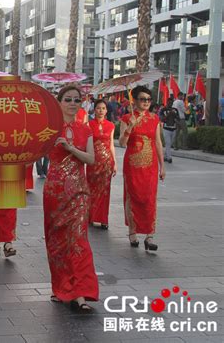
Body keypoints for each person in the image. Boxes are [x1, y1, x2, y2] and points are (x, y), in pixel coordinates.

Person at [43, 85, 98, 312]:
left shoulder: (85, 130)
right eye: (68, 99)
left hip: (78, 193)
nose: (73, 103)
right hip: (55, 193)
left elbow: (91, 159)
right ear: (59, 102)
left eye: (77, 100)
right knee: (56, 242)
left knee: (78, 240)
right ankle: (61, 287)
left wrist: (70, 148)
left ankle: (81, 292)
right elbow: (30, 156)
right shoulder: (48, 129)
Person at [119, 85, 165, 251]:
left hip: (151, 166)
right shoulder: (126, 118)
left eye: (148, 99)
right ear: (135, 101)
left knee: (149, 198)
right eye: (142, 99)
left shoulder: (155, 119)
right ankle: (132, 232)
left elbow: (158, 143)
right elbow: (122, 143)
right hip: (132, 166)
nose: (146, 102)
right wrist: (130, 127)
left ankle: (149, 235)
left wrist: (162, 166)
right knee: (133, 198)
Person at [86, 99, 117, 230]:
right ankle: (92, 217)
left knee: (105, 191)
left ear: (106, 110)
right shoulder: (88, 125)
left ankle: (104, 219)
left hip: (106, 163)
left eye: (103, 108)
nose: (101, 111)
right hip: (93, 162)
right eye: (98, 108)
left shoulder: (111, 125)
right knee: (91, 189)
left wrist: (114, 163)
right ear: (94, 109)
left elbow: (111, 144)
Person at [159, 98, 179, 163]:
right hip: (166, 129)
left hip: (174, 129)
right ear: (167, 102)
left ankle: (165, 156)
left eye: (171, 103)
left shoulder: (175, 110)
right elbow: (162, 119)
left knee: (170, 143)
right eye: (169, 102)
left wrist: (174, 115)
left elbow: (178, 119)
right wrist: (169, 114)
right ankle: (169, 158)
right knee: (168, 143)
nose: (170, 104)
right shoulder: (163, 110)